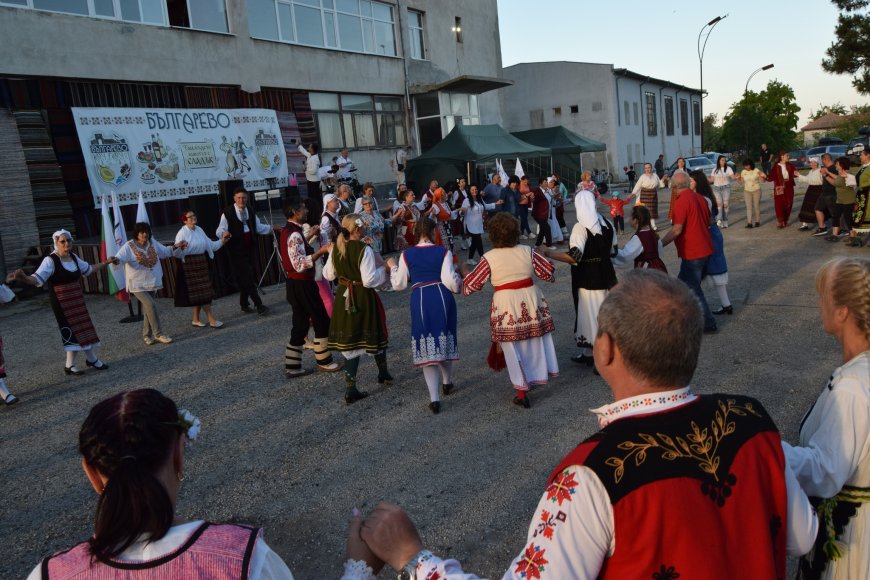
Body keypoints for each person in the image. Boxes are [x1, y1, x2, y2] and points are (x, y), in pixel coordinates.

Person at [356, 270, 818, 579]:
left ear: (606, 350)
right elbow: (803, 535)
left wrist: (412, 558)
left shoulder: (591, 474)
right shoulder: (753, 422)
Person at [27, 388, 380, 579]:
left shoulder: (47, 574)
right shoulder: (242, 558)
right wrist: (358, 569)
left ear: (91, 473)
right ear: (179, 454)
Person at [783, 257, 870, 580]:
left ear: (842, 312)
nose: (818, 303)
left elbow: (825, 471)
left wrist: (768, 448)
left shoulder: (852, 388)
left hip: (854, 540)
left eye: (823, 297)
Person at [462, 212, 558, 408]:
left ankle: (521, 391)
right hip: (530, 298)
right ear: (515, 231)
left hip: (505, 302)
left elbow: (470, 286)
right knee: (533, 340)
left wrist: (464, 271)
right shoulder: (527, 251)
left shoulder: (489, 257)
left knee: (511, 346)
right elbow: (548, 273)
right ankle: (535, 376)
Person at [7, 230, 115, 374]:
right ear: (56, 243)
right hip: (61, 301)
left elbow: (89, 269)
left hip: (76, 299)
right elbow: (36, 279)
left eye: (68, 240)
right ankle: (91, 360)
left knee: (83, 328)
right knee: (71, 330)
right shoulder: (50, 260)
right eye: (62, 241)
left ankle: (72, 365)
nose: (66, 244)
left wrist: (107, 262)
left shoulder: (74, 257)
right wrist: (23, 277)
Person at [387, 218, 464, 414]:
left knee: (428, 343)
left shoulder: (407, 254)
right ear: (432, 231)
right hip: (441, 296)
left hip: (420, 298)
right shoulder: (443, 251)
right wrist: (459, 280)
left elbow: (399, 284)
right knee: (444, 337)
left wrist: (393, 267)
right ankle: (447, 382)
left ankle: (434, 398)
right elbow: (450, 281)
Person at [324, 214, 393, 405]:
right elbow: (370, 279)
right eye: (363, 226)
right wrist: (385, 269)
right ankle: (382, 373)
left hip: (344, 295)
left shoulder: (336, 248)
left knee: (351, 339)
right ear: (357, 229)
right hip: (361, 296)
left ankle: (351, 387)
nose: (366, 228)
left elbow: (328, 274)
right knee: (374, 331)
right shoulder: (365, 249)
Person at [544, 189, 617, 367]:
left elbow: (574, 256)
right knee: (603, 315)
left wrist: (549, 253)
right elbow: (614, 251)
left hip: (587, 279)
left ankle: (601, 358)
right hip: (607, 276)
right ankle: (589, 352)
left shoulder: (580, 227)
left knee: (592, 317)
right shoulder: (607, 223)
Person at [280, 198, 340, 377]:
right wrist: (320, 252)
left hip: (294, 284)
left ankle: (292, 365)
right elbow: (299, 263)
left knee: (300, 323)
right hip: (302, 283)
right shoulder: (294, 233)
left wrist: (310, 237)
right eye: (302, 209)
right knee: (321, 319)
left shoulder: (289, 231)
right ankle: (324, 360)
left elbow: (295, 250)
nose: (306, 211)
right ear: (294, 212)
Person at [660, 172, 718, 333]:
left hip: (693, 252)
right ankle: (683, 318)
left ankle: (707, 322)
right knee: (685, 286)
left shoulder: (681, 202)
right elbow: (709, 221)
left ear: (673, 186)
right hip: (706, 248)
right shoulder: (700, 198)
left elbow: (677, 229)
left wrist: (659, 244)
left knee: (690, 288)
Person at [114, 223, 187, 345]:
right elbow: (119, 258)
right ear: (137, 234)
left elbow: (164, 252)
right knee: (151, 305)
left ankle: (146, 335)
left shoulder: (152, 243)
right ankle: (158, 334)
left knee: (149, 308)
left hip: (151, 281)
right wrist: (115, 260)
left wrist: (177, 246)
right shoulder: (129, 246)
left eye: (146, 231)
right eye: (142, 232)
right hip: (136, 283)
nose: (145, 234)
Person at [216, 187, 275, 315]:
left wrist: (272, 229)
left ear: (247, 198)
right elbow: (219, 230)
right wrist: (224, 233)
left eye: (243, 198)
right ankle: (259, 305)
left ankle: (244, 304)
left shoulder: (250, 210)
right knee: (247, 276)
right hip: (236, 250)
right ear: (234, 199)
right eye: (238, 198)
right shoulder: (228, 213)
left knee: (245, 277)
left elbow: (258, 227)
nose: (241, 200)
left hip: (249, 248)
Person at [174, 210, 230, 328]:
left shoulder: (199, 229)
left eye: (194, 215)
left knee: (201, 293)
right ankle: (212, 319)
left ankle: (195, 319)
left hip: (201, 262)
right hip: (190, 264)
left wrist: (223, 240)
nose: (193, 217)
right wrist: (181, 247)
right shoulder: (182, 233)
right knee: (203, 293)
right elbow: (176, 252)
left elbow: (211, 245)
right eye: (190, 217)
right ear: (185, 220)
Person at [691, 170, 733, 316]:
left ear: (697, 182)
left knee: (709, 268)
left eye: (691, 180)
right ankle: (726, 305)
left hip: (709, 234)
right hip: (709, 233)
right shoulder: (703, 196)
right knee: (704, 271)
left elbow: (702, 219)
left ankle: (696, 308)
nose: (689, 183)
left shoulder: (703, 198)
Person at [611, 205, 667, 272]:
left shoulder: (639, 237)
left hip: (647, 271)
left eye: (630, 217)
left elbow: (625, 255)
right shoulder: (653, 233)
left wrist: (609, 251)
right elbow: (659, 250)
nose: (629, 219)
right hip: (659, 268)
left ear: (635, 220)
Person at [461, 184, 502, 265]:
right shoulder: (466, 200)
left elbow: (485, 207)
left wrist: (496, 203)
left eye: (476, 189)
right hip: (470, 224)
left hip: (478, 224)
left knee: (474, 243)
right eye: (472, 190)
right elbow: (462, 212)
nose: (474, 191)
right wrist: (462, 211)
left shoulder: (479, 199)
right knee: (478, 241)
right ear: (469, 191)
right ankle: (483, 259)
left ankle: (469, 259)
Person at [823, 156, 857, 242]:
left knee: (847, 218)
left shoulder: (847, 174)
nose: (836, 166)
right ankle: (834, 235)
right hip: (840, 200)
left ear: (842, 165)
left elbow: (836, 182)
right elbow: (837, 180)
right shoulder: (840, 174)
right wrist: (826, 174)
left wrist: (826, 175)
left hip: (848, 200)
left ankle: (852, 236)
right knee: (836, 216)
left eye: (837, 164)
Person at [765, 150, 798, 229]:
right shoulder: (776, 166)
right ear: (782, 156)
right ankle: (780, 221)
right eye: (787, 155)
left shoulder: (790, 165)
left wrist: (796, 173)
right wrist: (764, 176)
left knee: (789, 204)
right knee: (779, 204)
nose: (788, 157)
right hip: (779, 187)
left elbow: (795, 174)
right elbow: (770, 177)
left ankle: (785, 220)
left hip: (789, 187)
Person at [631, 162, 662, 230]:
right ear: (644, 169)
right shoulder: (642, 176)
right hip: (644, 195)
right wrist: (633, 193)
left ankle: (653, 226)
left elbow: (660, 184)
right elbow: (638, 186)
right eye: (646, 168)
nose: (647, 169)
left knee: (652, 211)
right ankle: (646, 225)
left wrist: (664, 180)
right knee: (646, 211)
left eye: (649, 167)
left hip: (653, 194)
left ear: (651, 168)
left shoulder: (655, 175)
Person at [814, 153, 839, 236]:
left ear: (825, 159)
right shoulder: (826, 168)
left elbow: (836, 182)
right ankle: (822, 228)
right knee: (818, 208)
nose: (822, 162)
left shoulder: (834, 168)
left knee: (834, 213)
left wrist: (826, 174)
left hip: (832, 194)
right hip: (824, 193)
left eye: (822, 160)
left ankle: (841, 230)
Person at [796, 157, 824, 231]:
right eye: (811, 162)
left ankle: (821, 224)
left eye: (813, 162)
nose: (811, 164)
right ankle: (804, 224)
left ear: (816, 163)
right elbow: (807, 179)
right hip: (811, 190)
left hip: (818, 190)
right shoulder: (811, 171)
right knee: (806, 206)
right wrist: (799, 175)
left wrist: (800, 175)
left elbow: (815, 181)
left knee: (817, 207)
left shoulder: (819, 171)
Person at [297, 142, 322, 224]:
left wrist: (305, 169)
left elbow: (314, 171)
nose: (308, 147)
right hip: (310, 180)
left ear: (313, 149)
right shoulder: (310, 155)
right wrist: (298, 145)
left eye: (310, 146)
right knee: (312, 197)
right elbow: (304, 151)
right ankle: (314, 212)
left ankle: (318, 213)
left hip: (314, 181)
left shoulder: (315, 158)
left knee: (315, 198)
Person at [849, 149, 870, 246]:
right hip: (861, 195)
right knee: (858, 216)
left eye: (862, 155)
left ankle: (855, 238)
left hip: (868, 195)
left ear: (868, 156)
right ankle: (854, 238)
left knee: (866, 215)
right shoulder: (863, 167)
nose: (860, 157)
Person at [709, 155, 736, 228]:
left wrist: (737, 176)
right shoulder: (714, 169)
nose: (723, 162)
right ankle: (719, 219)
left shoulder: (728, 169)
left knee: (726, 205)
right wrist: (703, 179)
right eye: (722, 160)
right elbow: (711, 180)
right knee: (719, 204)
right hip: (716, 188)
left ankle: (725, 220)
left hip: (726, 188)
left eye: (724, 160)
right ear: (718, 161)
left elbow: (733, 177)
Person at [738, 159, 766, 228]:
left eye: (747, 165)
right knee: (748, 207)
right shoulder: (743, 172)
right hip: (747, 190)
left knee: (756, 206)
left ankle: (757, 221)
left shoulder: (756, 170)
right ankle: (749, 223)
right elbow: (741, 182)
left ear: (751, 165)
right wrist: (737, 178)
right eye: (745, 166)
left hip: (756, 190)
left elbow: (762, 181)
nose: (746, 167)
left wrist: (763, 177)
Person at [530, 177, 553, 248]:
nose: (546, 183)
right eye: (544, 182)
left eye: (546, 182)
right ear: (540, 184)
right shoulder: (537, 191)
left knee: (542, 230)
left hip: (545, 214)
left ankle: (537, 245)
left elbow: (549, 200)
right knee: (547, 228)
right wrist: (532, 199)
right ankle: (549, 245)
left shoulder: (548, 191)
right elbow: (534, 199)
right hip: (539, 214)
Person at [663, 156, 687, 222]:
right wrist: (668, 180)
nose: (681, 163)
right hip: (676, 190)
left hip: (684, 190)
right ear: (677, 163)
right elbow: (672, 181)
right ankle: (673, 218)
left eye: (682, 161)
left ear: (684, 163)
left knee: (683, 205)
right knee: (674, 204)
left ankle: (682, 217)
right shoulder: (676, 171)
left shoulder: (686, 171)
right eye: (679, 162)